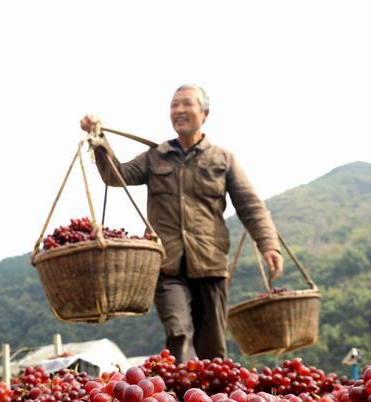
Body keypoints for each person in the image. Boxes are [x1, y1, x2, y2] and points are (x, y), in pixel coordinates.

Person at [80, 83, 284, 363]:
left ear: (205, 113)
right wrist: (99, 141)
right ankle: (182, 398)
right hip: (167, 266)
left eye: (186, 104)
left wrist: (269, 245)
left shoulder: (222, 159)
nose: (179, 110)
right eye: (174, 105)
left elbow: (251, 206)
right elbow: (117, 176)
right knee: (178, 332)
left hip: (210, 264)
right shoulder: (155, 157)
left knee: (212, 347)